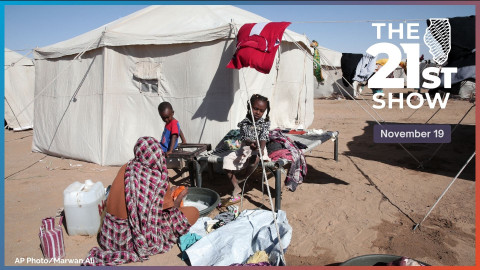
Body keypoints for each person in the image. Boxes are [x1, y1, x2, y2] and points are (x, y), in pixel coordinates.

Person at [82, 137, 199, 266]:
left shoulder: (126, 168)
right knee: (192, 212)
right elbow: (171, 212)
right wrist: (180, 195)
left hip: (108, 235)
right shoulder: (158, 176)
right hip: (129, 241)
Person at [222, 94, 271, 203]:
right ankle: (236, 185)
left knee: (255, 159)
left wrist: (261, 149)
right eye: (255, 109)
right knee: (226, 160)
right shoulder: (244, 123)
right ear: (250, 107)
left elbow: (263, 137)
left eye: (261, 111)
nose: (258, 112)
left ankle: (245, 177)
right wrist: (251, 143)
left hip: (259, 148)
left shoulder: (265, 123)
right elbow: (245, 137)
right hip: (245, 147)